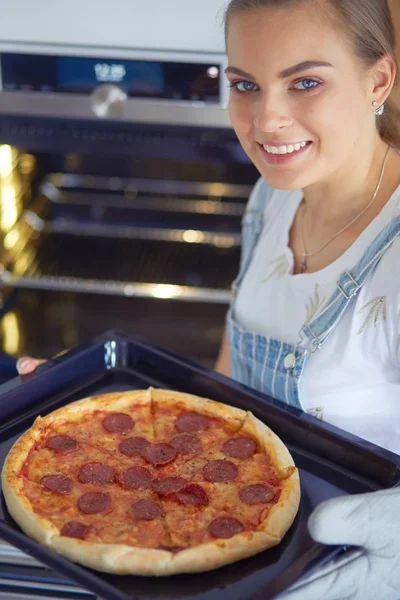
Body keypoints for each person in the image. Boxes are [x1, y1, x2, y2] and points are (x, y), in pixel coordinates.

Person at [16, 0, 400, 597]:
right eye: (245, 84)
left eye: (305, 82)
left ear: (379, 79)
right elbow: (224, 395)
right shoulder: (273, 198)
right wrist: (95, 418)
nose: (267, 118)